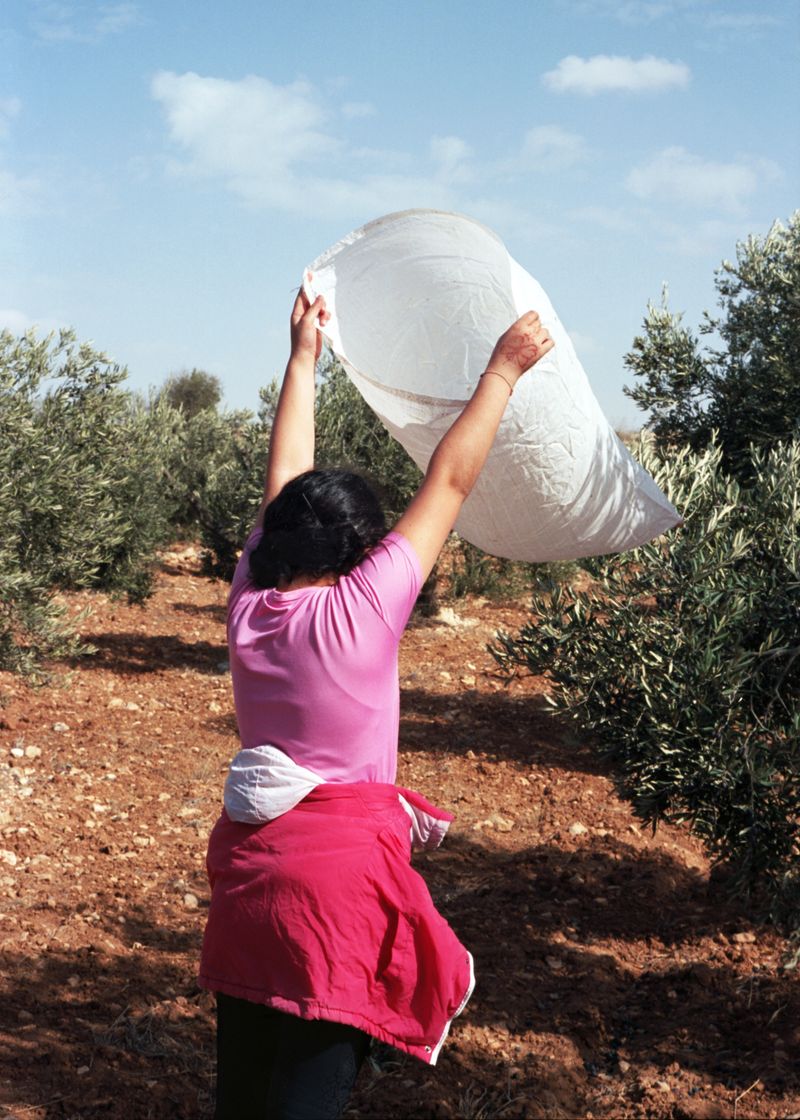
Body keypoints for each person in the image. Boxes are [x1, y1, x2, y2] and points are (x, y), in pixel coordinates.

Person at [199, 282, 554, 1119]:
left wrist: (301, 360)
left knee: (241, 1099)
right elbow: (453, 480)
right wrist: (502, 372)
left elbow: (282, 483)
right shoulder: (364, 609)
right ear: (360, 554)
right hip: (335, 901)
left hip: (247, 886)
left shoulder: (250, 596)